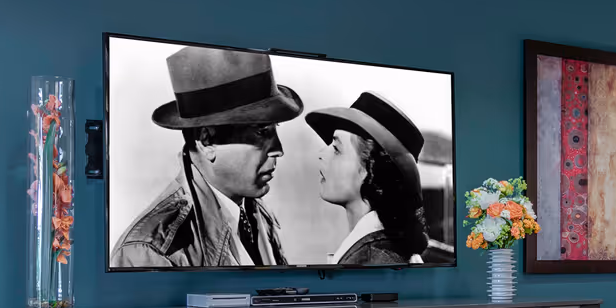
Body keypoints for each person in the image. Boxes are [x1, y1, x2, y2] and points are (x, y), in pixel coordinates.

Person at [112, 46, 300, 268]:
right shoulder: (151, 251)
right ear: (207, 140)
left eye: (274, 129)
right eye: (261, 131)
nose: (279, 149)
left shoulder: (257, 216)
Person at [306, 91, 430, 266]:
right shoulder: (378, 249)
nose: (321, 154)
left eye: (336, 148)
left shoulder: (372, 260)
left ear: (370, 170)